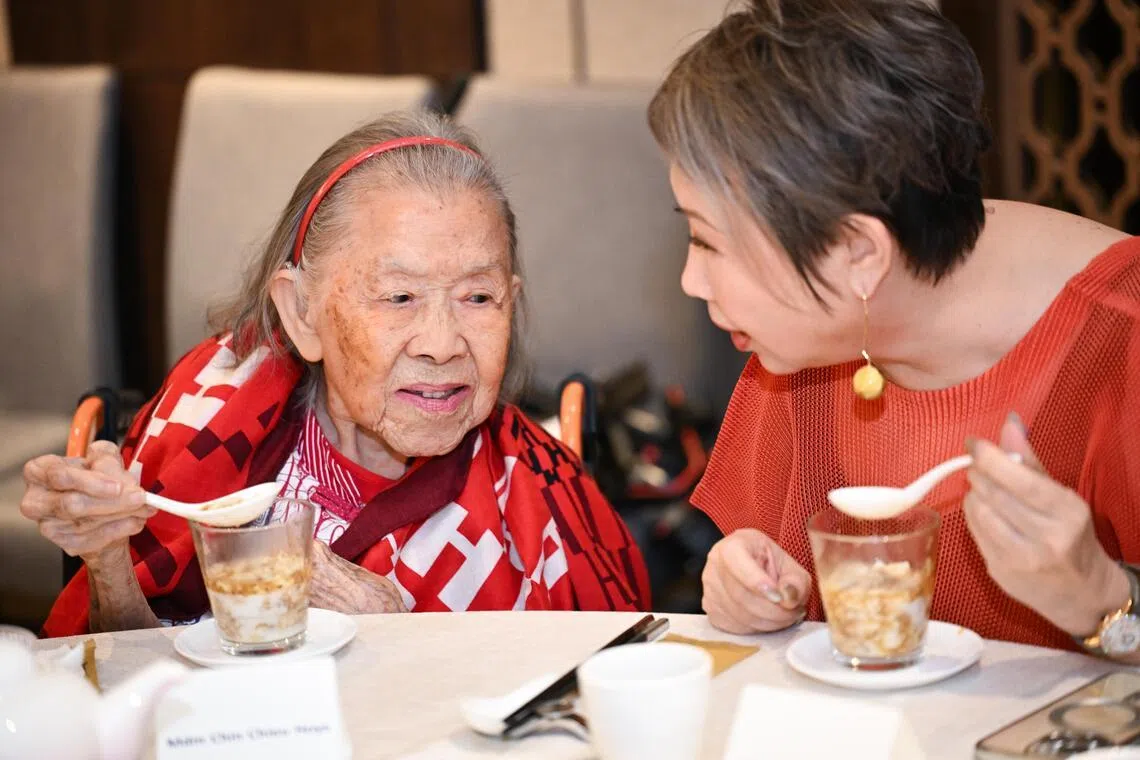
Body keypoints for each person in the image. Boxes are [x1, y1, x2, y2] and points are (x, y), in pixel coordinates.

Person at [23, 112, 650, 636]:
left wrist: (395, 634)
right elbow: (126, 685)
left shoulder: (539, 495)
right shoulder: (209, 409)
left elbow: (592, 698)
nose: (442, 345)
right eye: (399, 297)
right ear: (302, 313)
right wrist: (108, 558)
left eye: (478, 298)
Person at [648, 0, 1140, 657]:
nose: (692, 281)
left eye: (709, 242)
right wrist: (745, 580)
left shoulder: (1122, 339)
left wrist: (1102, 600)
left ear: (859, 254)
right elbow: (776, 570)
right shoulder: (810, 340)